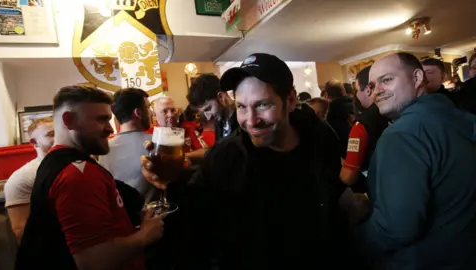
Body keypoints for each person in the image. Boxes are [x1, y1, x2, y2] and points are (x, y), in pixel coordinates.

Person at [141, 53, 358, 269]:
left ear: (290, 101)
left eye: (262, 105)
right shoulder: (227, 156)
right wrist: (171, 182)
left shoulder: (320, 137)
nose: (251, 121)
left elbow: (331, 198)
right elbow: (196, 219)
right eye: (242, 107)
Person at [16, 86, 165, 270]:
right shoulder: (78, 173)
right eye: (101, 119)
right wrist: (144, 236)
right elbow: (94, 261)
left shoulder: (58, 162)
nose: (110, 129)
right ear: (69, 120)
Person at [354, 52, 476, 269]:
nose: (377, 92)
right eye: (372, 85)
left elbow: (396, 228)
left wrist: (349, 242)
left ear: (417, 78)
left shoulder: (402, 134)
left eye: (387, 80)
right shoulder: (460, 117)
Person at [4, 117, 54, 243]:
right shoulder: (22, 178)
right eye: (51, 134)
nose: (59, 139)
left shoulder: (77, 165)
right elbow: (20, 231)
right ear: (34, 142)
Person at [340, 66, 388, 191]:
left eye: (357, 90)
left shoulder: (360, 126)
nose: (356, 95)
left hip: (378, 191)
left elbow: (348, 176)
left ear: (367, 90)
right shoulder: (398, 113)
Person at [99, 88, 152, 195]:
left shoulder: (104, 149)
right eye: (148, 107)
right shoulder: (155, 141)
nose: (151, 112)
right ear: (138, 113)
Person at [187, 74, 237, 141]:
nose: (208, 117)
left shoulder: (242, 121)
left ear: (221, 97)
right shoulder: (220, 124)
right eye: (204, 112)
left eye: (208, 109)